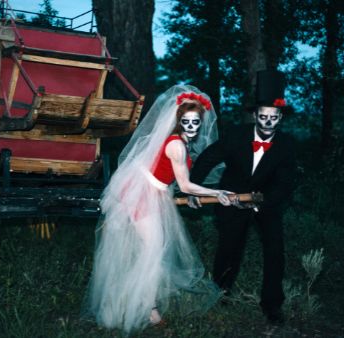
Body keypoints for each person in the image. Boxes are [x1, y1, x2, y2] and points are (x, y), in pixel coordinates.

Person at [83, 85, 233, 333]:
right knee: (154, 250)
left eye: (197, 122)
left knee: (151, 250)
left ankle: (139, 304)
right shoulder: (177, 145)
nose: (193, 127)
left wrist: (199, 192)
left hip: (154, 191)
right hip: (142, 194)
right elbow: (185, 184)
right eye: (187, 122)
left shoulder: (180, 142)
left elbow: (172, 179)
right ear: (178, 122)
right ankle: (141, 306)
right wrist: (217, 192)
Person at [189, 70, 297, 325]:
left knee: (275, 251)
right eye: (263, 116)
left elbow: (286, 182)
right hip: (232, 198)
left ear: (280, 118)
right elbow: (208, 158)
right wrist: (191, 188)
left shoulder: (287, 144)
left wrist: (262, 202)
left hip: (266, 202)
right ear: (255, 115)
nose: (268, 122)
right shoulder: (237, 135)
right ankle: (220, 294)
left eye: (273, 117)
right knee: (229, 248)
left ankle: (272, 305)